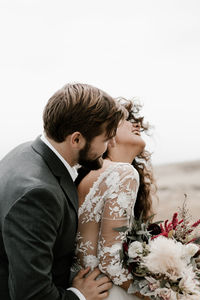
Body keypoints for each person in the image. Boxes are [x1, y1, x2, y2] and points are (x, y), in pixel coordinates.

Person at [0, 83, 126, 300]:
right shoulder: (38, 195)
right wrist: (79, 295)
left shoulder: (24, 151)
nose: (111, 145)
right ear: (76, 139)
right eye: (105, 139)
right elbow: (31, 295)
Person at [75, 98, 156, 300]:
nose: (135, 125)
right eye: (125, 120)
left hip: (85, 288)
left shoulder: (88, 178)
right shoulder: (122, 172)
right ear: (107, 133)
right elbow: (110, 261)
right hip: (109, 292)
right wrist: (157, 294)